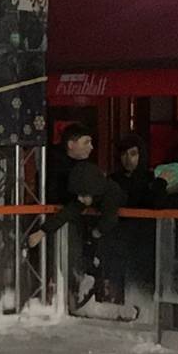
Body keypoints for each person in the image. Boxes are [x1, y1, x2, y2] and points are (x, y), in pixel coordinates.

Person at [30, 125, 123, 306]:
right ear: (71, 144)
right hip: (81, 228)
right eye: (86, 142)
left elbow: (99, 214)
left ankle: (92, 291)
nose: (91, 147)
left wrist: (95, 233)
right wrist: (42, 231)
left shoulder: (104, 189)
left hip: (101, 231)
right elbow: (71, 208)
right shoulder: (59, 168)